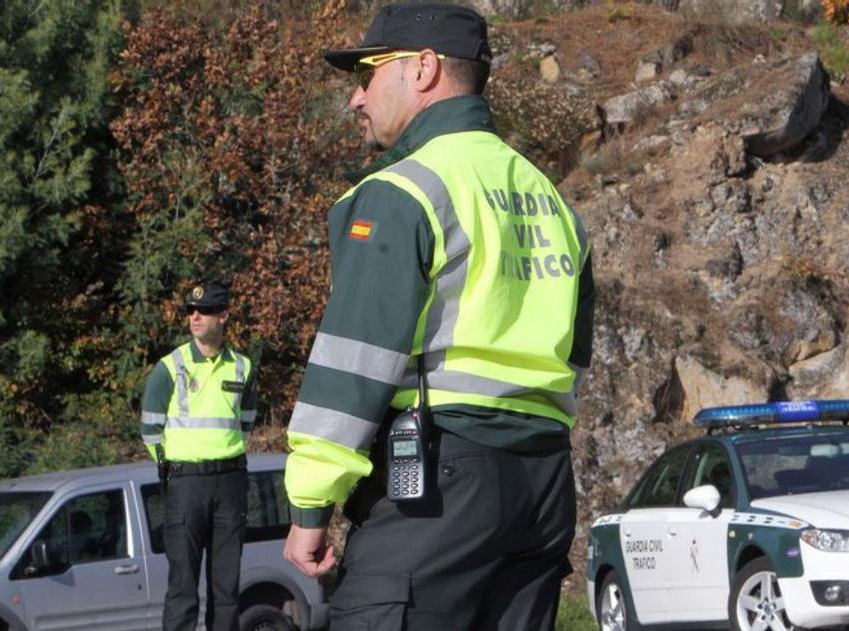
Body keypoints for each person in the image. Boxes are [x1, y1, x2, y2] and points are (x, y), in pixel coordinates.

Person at [282, 3, 595, 629]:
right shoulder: (549, 198)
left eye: (368, 72)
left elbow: (354, 360)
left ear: (423, 69)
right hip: (544, 483)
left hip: (440, 483)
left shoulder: (403, 190)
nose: (356, 98)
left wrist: (311, 505)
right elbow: (576, 354)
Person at [141, 281, 258, 631]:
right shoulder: (169, 367)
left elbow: (247, 422)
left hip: (231, 482)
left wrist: (224, 453)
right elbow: (150, 430)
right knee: (182, 587)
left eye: (204, 311)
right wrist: (174, 463)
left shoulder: (243, 366)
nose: (195, 317)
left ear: (222, 316)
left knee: (227, 589)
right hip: (186, 483)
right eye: (190, 311)